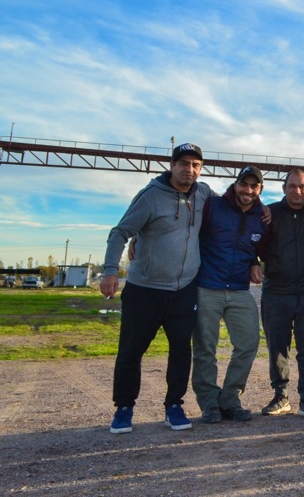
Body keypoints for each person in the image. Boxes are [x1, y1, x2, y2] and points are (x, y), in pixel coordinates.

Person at [102, 143, 211, 434]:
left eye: (196, 165)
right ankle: (124, 408)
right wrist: (110, 271)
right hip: (145, 289)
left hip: (184, 289)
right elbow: (120, 232)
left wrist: (262, 209)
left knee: (181, 351)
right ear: (172, 165)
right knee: (131, 351)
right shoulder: (150, 197)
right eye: (184, 164)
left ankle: (174, 405)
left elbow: (234, 204)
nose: (190, 170)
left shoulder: (203, 194)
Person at [192, 166, 266, 424]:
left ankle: (230, 399)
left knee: (248, 343)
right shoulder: (213, 206)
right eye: (244, 184)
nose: (248, 190)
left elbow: (250, 247)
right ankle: (209, 404)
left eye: (254, 186)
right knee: (205, 349)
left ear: (260, 190)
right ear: (235, 185)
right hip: (207, 287)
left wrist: (254, 262)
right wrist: (139, 238)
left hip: (239, 289)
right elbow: (183, 229)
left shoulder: (261, 216)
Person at [259, 168, 304, 419]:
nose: (297, 191)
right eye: (292, 186)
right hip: (276, 291)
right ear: (283, 189)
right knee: (277, 347)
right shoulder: (269, 213)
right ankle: (281, 396)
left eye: (302, 186)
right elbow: (250, 239)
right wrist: (251, 263)